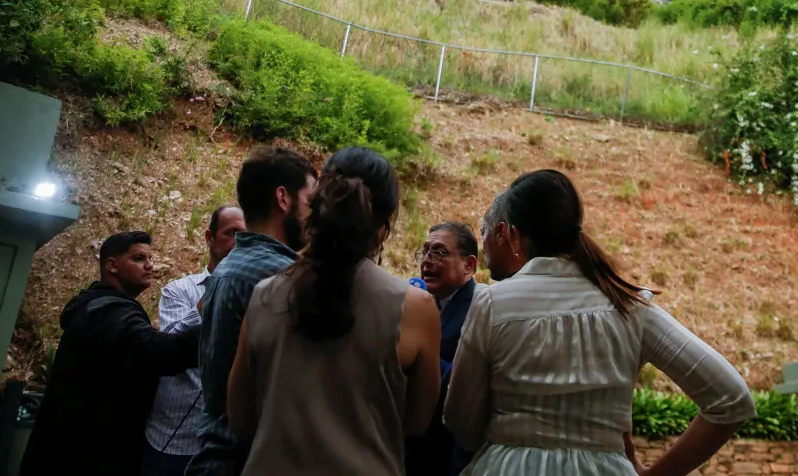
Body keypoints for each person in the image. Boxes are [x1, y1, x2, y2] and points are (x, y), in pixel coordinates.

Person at [445, 171, 756, 476]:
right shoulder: (630, 305)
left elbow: (463, 425)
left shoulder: (491, 303)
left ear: (512, 234)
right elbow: (731, 399)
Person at [226, 147, 442, 476]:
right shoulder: (415, 308)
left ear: (317, 202)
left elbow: (240, 415)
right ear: (384, 226)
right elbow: (416, 423)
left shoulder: (265, 295)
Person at [20, 232, 200, 476]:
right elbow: (159, 353)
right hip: (84, 456)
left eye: (150, 258)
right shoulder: (107, 311)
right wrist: (214, 316)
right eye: (138, 258)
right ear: (111, 265)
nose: (149, 265)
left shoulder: (99, 306)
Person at [186, 147, 318, 476]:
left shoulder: (232, 265)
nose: (314, 215)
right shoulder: (281, 276)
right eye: (310, 202)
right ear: (283, 199)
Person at [141, 206, 247, 476]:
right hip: (172, 439)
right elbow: (172, 346)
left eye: (246, 236)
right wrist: (220, 288)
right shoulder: (179, 290)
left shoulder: (253, 294)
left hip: (224, 444)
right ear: (209, 237)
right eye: (231, 233)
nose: (238, 243)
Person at [406, 222, 478, 476]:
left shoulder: (481, 310)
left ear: (469, 265)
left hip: (449, 453)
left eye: (439, 252)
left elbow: (468, 378)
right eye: (425, 252)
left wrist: (418, 355)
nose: (427, 260)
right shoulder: (413, 302)